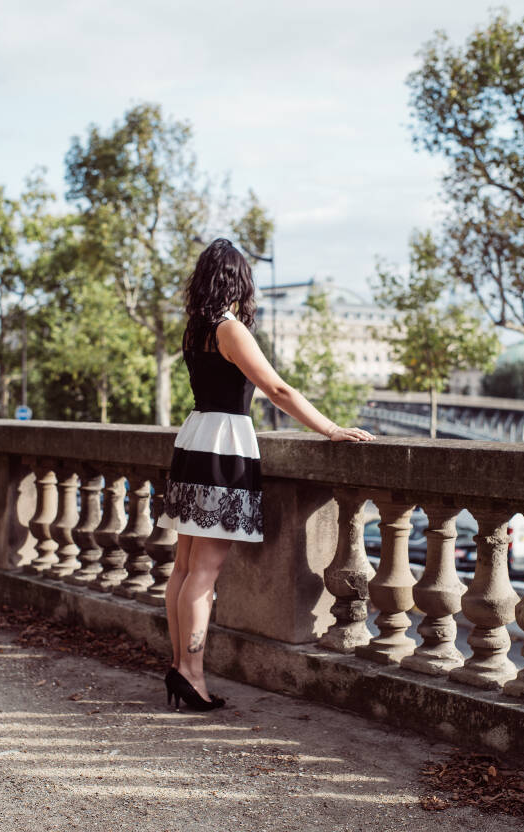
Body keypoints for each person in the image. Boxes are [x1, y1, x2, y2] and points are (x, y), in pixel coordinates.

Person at [157, 238, 375, 711]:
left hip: (195, 439)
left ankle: (180, 666)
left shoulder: (196, 328)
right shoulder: (229, 329)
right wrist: (331, 427)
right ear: (240, 282)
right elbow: (276, 388)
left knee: (185, 567)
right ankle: (191, 675)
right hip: (223, 444)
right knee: (204, 572)